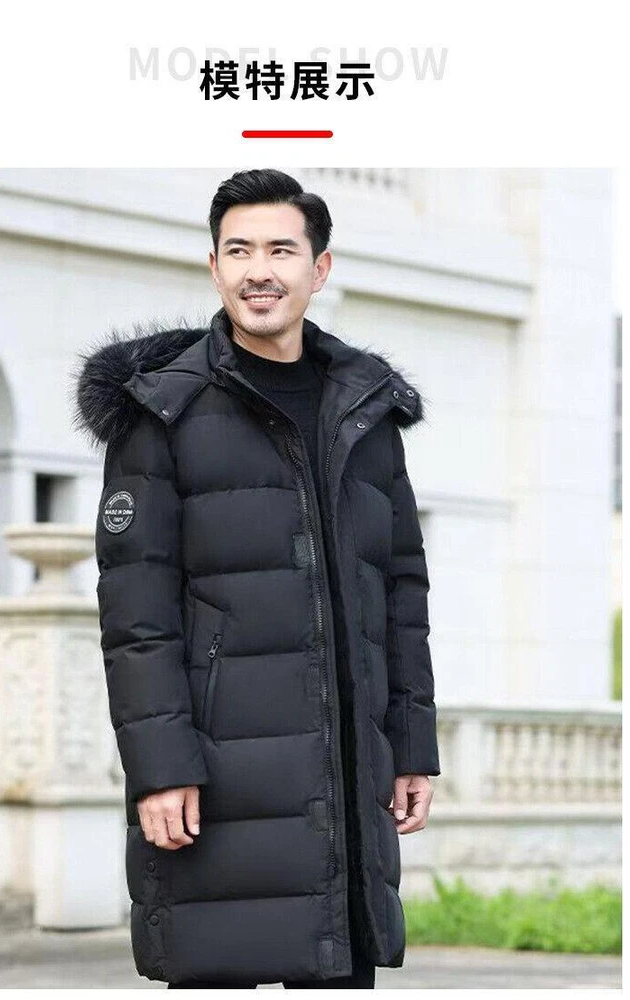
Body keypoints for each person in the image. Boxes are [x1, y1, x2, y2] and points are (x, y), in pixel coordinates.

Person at [74, 168, 440, 988]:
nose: (258, 271)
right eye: (238, 251)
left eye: (280, 249)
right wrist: (160, 766)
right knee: (219, 966)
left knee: (338, 968)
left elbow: (401, 593)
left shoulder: (367, 412)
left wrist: (412, 746)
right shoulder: (161, 412)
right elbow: (136, 614)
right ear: (214, 268)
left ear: (320, 267)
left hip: (347, 775)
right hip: (218, 774)